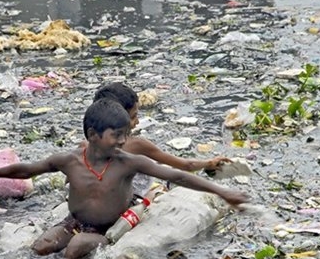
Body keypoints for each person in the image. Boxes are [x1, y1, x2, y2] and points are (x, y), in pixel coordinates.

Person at [0, 98, 250, 259]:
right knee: (42, 247)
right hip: (73, 222)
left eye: (126, 134)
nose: (124, 141)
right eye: (117, 135)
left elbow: (175, 175)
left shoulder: (127, 163)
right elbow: (26, 170)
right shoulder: (69, 161)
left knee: (75, 249)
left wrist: (223, 192)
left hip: (111, 225)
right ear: (92, 136)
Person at [92, 82, 231, 197]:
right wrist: (209, 163)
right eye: (134, 116)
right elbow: (186, 165)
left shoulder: (88, 144)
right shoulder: (137, 145)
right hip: (132, 200)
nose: (137, 122)